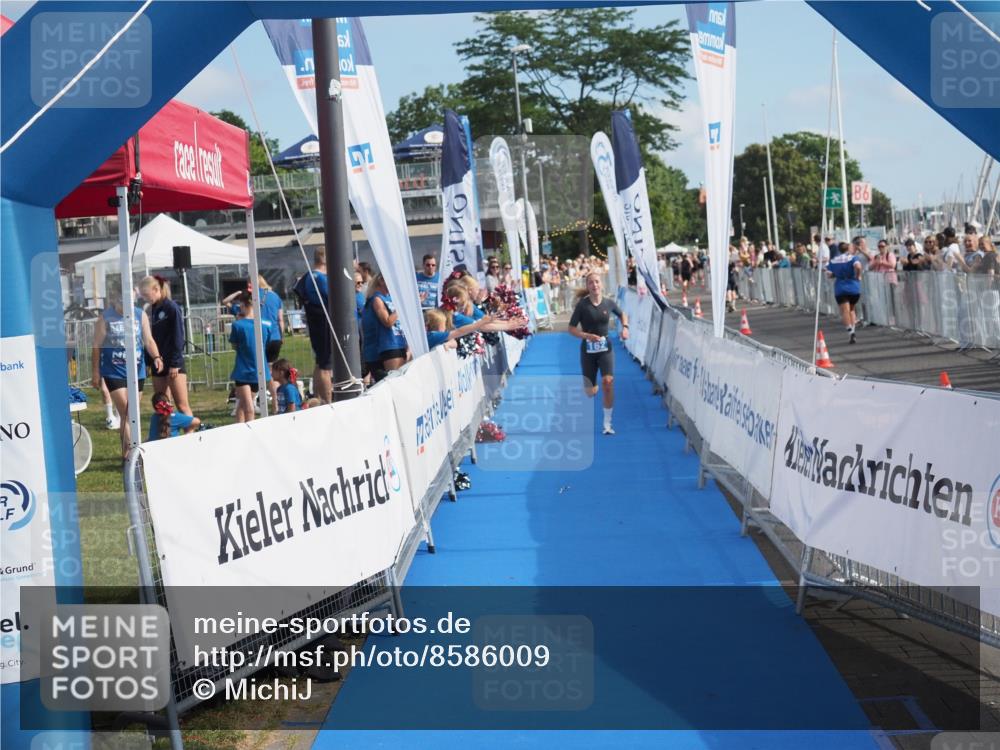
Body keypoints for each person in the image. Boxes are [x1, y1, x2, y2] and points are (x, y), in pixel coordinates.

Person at [92, 281, 164, 459]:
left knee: (132, 412)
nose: (128, 307)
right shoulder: (106, 317)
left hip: (136, 370)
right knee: (125, 410)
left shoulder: (140, 315)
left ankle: (129, 451)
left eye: (131, 303)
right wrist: (95, 372)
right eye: (124, 303)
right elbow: (96, 346)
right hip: (113, 371)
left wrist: (156, 357)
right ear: (117, 299)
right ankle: (130, 454)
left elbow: (148, 340)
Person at [568, 272, 629, 435]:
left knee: (608, 383)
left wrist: (625, 328)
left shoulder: (608, 303)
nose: (594, 285)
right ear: (587, 287)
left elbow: (622, 313)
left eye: (596, 282)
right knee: (590, 391)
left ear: (601, 284)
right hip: (588, 350)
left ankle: (607, 424)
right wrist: (586, 335)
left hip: (605, 348)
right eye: (590, 283)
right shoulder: (582, 305)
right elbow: (571, 328)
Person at [140, 275, 191, 416]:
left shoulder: (171, 308)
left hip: (173, 363)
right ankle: (166, 434)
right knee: (161, 404)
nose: (144, 298)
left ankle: (191, 433)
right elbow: (150, 339)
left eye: (146, 294)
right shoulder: (150, 310)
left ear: (156, 289)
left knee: (182, 405)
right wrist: (149, 360)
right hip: (158, 363)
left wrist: (175, 363)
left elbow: (178, 336)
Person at [293, 247, 332, 403]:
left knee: (321, 362)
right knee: (325, 365)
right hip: (323, 323)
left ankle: (318, 398)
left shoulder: (311, 276)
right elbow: (332, 297)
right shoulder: (319, 278)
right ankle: (328, 401)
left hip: (319, 322)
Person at [229, 290, 274, 423]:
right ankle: (249, 433)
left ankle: (240, 429)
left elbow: (235, 346)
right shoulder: (238, 325)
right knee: (249, 408)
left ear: (243, 304)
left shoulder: (264, 324)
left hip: (257, 371)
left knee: (243, 406)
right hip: (243, 372)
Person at [370, 274, 408, 374]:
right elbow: (387, 322)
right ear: (381, 281)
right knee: (395, 379)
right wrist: (401, 307)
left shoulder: (391, 298)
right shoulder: (377, 299)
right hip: (390, 345)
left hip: (400, 343)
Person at [827, 242, 863, 344]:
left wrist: (835, 274)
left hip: (840, 287)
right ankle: (853, 330)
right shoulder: (853, 258)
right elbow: (858, 267)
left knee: (844, 311)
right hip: (853, 286)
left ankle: (850, 332)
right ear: (848, 249)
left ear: (839, 249)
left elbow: (829, 274)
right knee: (851, 309)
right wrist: (858, 276)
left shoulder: (833, 261)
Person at [424, 308, 493, 350]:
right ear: (437, 326)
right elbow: (459, 331)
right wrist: (479, 324)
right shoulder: (433, 335)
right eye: (444, 324)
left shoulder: (433, 335)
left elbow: (454, 343)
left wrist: (448, 344)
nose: (445, 327)